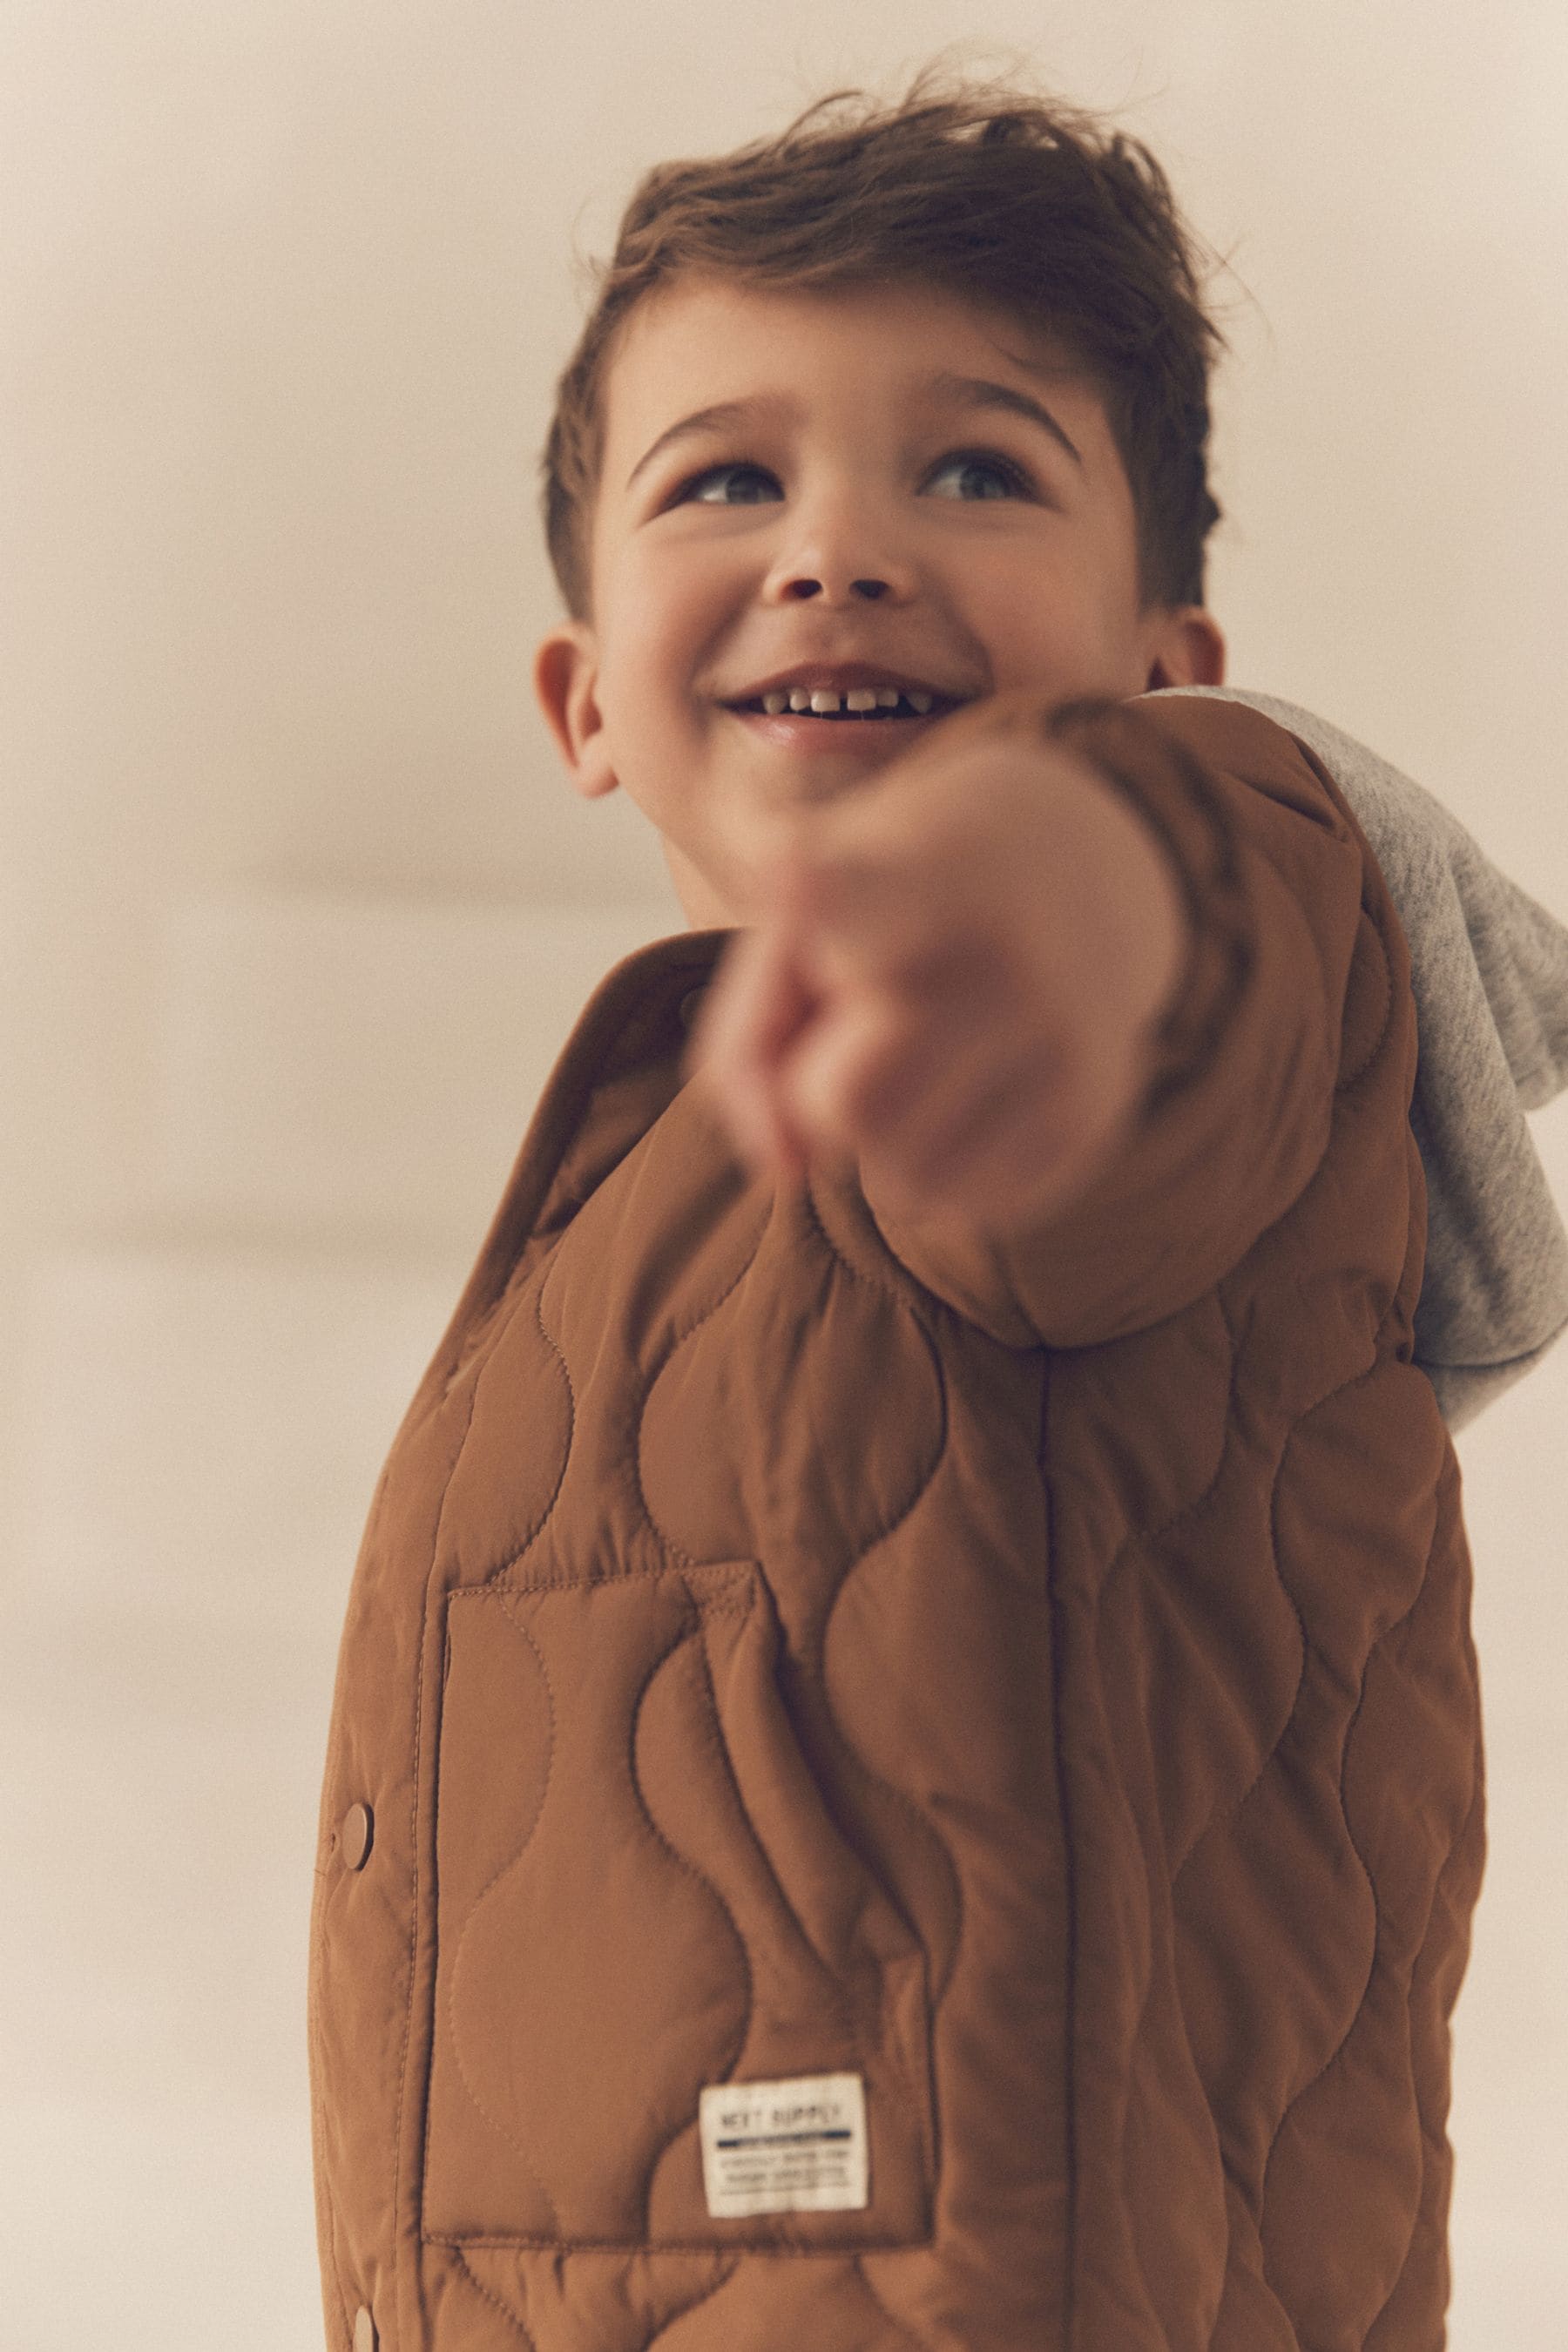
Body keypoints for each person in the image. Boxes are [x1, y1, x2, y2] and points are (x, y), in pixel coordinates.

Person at [306, 59, 1568, 2352]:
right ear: (586, 699)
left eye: (974, 467)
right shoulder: (641, 1196)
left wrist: (1069, 864)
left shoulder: (1126, 1028)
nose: (834, 544)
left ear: (1165, 667)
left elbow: (1219, 907)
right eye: (729, 477)